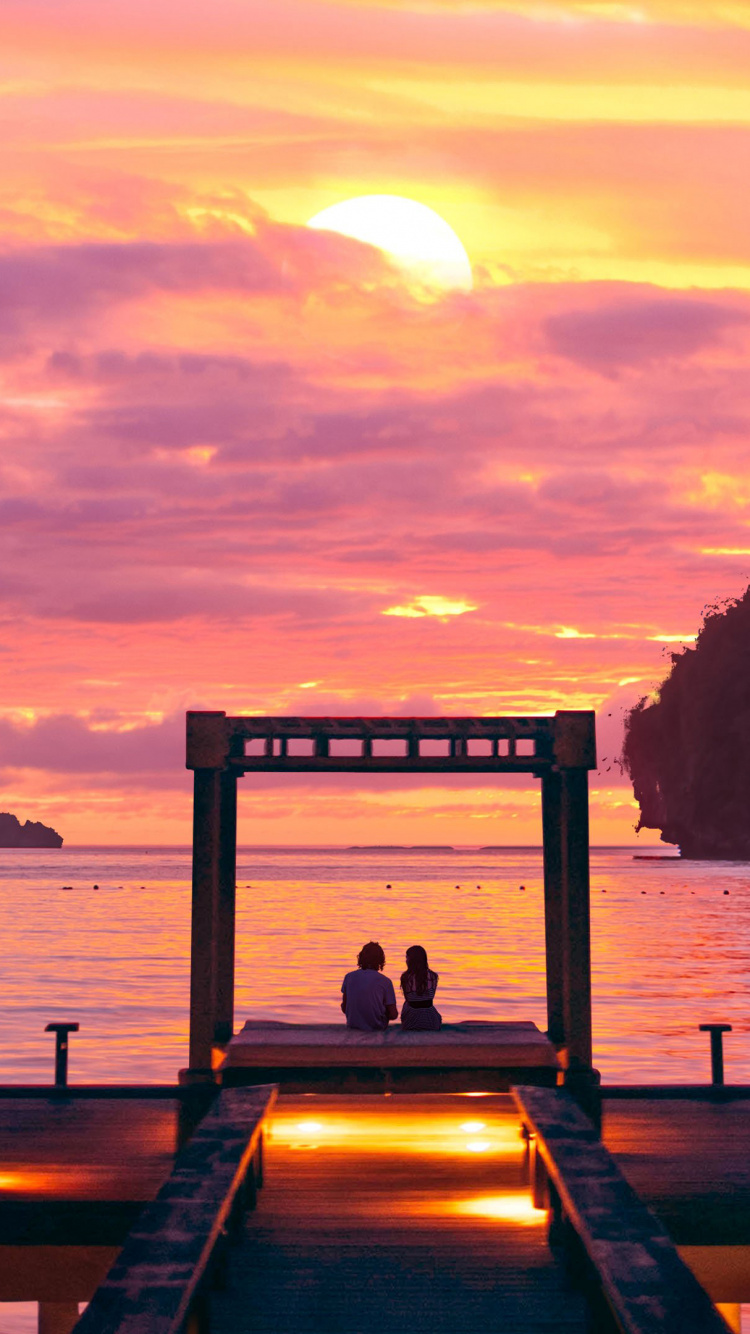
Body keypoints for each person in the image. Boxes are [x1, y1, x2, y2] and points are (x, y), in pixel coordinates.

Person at [341, 941, 398, 1031]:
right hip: (377, 1027)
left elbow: (344, 1008)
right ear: (381, 960)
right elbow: (393, 1015)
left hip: (353, 1026)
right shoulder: (385, 981)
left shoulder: (349, 977)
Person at [400, 944, 442, 1030]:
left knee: (406, 1004)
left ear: (411, 960)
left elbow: (408, 999)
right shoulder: (433, 976)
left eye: (407, 957)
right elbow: (430, 997)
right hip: (431, 1019)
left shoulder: (406, 977)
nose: (406, 960)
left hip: (411, 1020)